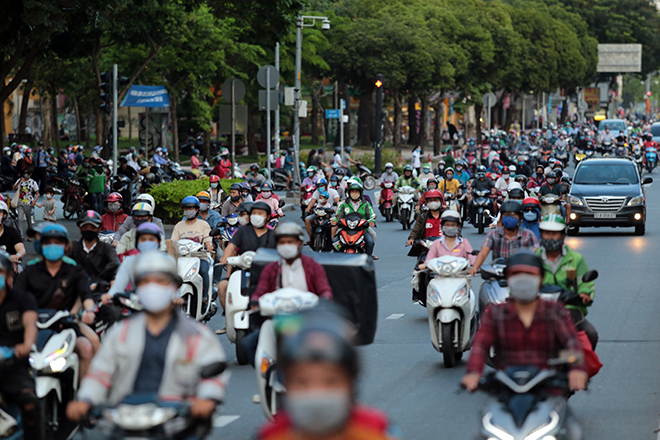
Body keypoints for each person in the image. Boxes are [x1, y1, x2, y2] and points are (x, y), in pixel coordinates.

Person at [66, 251, 229, 424]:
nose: (153, 287)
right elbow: (100, 374)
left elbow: (213, 376)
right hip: (125, 420)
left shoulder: (197, 335)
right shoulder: (120, 333)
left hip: (177, 423)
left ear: (174, 287)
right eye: (145, 282)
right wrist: (85, 400)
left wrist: (207, 399)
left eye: (160, 281)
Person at [258, 310, 399, 440]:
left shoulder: (376, 431)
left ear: (350, 385)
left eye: (331, 382)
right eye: (302, 382)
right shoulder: (272, 435)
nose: (316, 393)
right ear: (286, 386)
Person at [461, 252, 588, 393]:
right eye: (516, 274)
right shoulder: (495, 313)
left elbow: (571, 341)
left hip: (547, 389)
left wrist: (577, 369)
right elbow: (480, 345)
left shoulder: (554, 311)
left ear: (541, 279)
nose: (523, 279)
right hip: (507, 388)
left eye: (530, 274)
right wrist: (474, 372)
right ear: (508, 279)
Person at [13, 224, 98, 381]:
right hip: (33, 325)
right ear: (41, 246)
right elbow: (16, 296)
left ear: (66, 246)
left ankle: (85, 392)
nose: (53, 246)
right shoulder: (30, 270)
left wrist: (89, 310)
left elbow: (86, 294)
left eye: (58, 242)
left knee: (87, 346)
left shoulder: (74, 270)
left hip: (67, 323)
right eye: (48, 242)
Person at [244, 223, 333, 363]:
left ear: (299, 243)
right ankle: (266, 376)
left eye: (290, 242)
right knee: (248, 344)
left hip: (307, 320)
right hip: (278, 320)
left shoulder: (313, 266)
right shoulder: (271, 269)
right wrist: (255, 301)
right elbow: (259, 291)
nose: (286, 246)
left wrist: (323, 301)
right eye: (282, 242)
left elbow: (325, 290)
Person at [0, 250, 45, 440]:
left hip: (14, 367)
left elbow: (30, 325)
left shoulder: (22, 299)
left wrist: (26, 345)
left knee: (30, 403)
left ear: (9, 275)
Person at [536, 214, 598, 349]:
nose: (550, 237)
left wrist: (585, 293)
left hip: (569, 311)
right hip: (537, 311)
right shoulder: (533, 258)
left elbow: (585, 284)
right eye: (547, 233)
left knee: (591, 334)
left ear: (563, 236)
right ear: (541, 235)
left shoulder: (576, 259)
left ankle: (582, 363)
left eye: (554, 234)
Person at [216, 201, 276, 332]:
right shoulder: (242, 231)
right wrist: (225, 256)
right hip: (242, 271)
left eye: (260, 213)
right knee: (222, 286)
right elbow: (231, 246)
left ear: (267, 216)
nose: (256, 216)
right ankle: (229, 319)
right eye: (254, 213)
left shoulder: (273, 234)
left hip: (266, 274)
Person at [469, 200, 539, 276]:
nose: (509, 218)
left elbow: (536, 253)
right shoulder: (493, 234)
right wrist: (475, 268)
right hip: (497, 274)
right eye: (506, 215)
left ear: (520, 217)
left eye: (513, 215)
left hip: (520, 275)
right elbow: (483, 252)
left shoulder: (528, 235)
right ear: (501, 217)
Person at [104, 222, 164, 302]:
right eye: (143, 239)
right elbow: (118, 285)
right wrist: (109, 295)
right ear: (137, 242)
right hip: (135, 302)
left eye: (151, 239)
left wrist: (175, 298)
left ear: (159, 242)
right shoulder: (129, 261)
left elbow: (173, 288)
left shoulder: (167, 262)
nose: (147, 242)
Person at [68, 210, 120, 293]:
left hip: (100, 291)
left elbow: (115, 264)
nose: (89, 230)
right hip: (75, 290)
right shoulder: (72, 247)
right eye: (85, 227)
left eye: (93, 228)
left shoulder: (107, 248)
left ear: (99, 229)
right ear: (80, 229)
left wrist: (102, 281)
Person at [332, 182, 377, 259]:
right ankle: (336, 259)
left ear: (360, 193)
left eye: (356, 191)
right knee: (334, 242)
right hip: (346, 229)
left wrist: (371, 221)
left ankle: (369, 257)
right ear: (349, 193)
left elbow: (371, 214)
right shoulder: (344, 204)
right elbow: (338, 214)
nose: (354, 193)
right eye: (352, 191)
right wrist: (336, 220)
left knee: (370, 241)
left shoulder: (366, 204)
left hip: (362, 228)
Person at [12, 170, 39, 240]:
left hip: (29, 203)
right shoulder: (20, 180)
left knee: (29, 220)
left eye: (28, 173)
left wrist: (34, 200)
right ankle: (21, 235)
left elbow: (37, 193)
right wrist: (19, 181)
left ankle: (30, 235)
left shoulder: (33, 182)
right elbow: (13, 188)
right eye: (25, 173)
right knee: (20, 219)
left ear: (31, 174)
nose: (26, 174)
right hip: (20, 202)